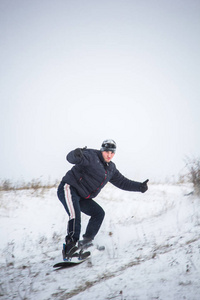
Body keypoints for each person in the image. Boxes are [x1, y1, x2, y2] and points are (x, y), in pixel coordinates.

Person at [57, 139, 148, 259]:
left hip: (82, 196)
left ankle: (86, 242)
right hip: (69, 188)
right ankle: (70, 248)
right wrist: (76, 154)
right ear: (102, 150)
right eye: (107, 152)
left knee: (98, 213)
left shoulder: (111, 169)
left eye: (112, 153)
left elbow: (122, 182)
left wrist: (139, 187)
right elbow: (71, 158)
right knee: (75, 215)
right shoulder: (91, 156)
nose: (109, 155)